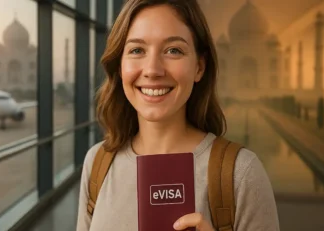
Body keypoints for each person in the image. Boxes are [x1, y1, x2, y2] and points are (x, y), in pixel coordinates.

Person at [76, 0, 280, 230]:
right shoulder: (97, 163)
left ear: (199, 67)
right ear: (120, 65)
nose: (153, 70)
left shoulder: (240, 174)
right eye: (137, 50)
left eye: (173, 50)